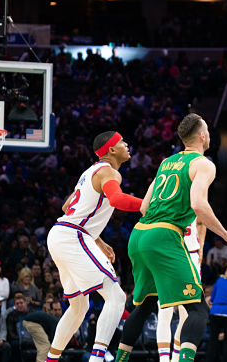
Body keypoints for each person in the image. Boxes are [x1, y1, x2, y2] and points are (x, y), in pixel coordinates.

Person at [115, 113, 227, 362]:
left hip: (139, 234)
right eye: (207, 129)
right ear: (202, 135)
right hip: (164, 236)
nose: (209, 134)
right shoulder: (204, 163)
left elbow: (144, 207)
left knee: (144, 307)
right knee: (198, 309)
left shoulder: (167, 162)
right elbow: (199, 204)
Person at [45, 131, 141, 362]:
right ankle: (97, 359)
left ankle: (50, 359)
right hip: (72, 236)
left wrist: (96, 238)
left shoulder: (90, 172)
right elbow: (117, 200)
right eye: (122, 142)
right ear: (111, 150)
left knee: (79, 307)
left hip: (62, 235)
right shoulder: (109, 172)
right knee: (116, 297)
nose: (127, 144)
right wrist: (149, 204)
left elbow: (68, 206)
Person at [156, 218, 205, 362]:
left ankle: (176, 357)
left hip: (189, 254)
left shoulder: (195, 197)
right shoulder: (162, 197)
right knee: (165, 311)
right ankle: (164, 359)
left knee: (187, 314)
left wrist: (201, 246)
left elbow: (202, 222)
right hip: (168, 255)